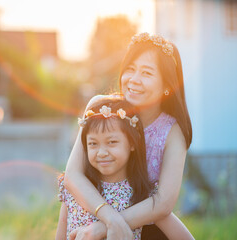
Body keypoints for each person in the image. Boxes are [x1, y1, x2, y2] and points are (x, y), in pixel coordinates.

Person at [63, 32, 194, 240]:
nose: (134, 80)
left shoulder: (172, 131)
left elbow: (163, 203)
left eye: (147, 73)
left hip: (148, 230)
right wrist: (108, 219)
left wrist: (105, 227)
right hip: (91, 219)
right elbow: (72, 175)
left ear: (167, 85)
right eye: (130, 69)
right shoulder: (100, 108)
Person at [56, 98, 153, 240]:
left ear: (132, 143)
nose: (101, 152)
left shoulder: (143, 195)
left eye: (112, 142)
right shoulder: (75, 190)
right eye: (93, 143)